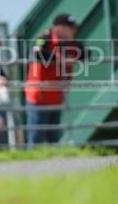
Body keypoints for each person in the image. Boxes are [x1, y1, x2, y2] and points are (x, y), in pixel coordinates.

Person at [24, 13, 85, 147]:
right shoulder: (44, 38)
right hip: (38, 97)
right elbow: (37, 52)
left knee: (54, 136)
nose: (74, 31)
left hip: (57, 96)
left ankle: (54, 164)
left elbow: (85, 53)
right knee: (36, 136)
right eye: (71, 28)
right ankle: (32, 165)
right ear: (59, 28)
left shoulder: (72, 43)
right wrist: (60, 60)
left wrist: (72, 58)